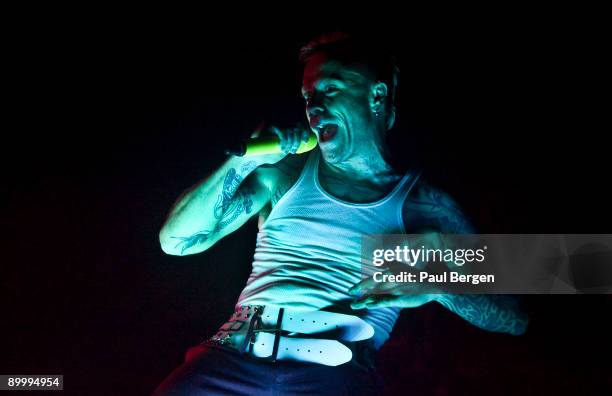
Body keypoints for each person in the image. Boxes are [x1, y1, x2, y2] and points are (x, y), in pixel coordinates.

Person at [153, 32, 528, 395]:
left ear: (376, 95)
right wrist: (250, 160)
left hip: (333, 378)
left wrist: (437, 285)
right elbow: (177, 241)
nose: (314, 107)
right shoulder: (286, 173)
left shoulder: (424, 206)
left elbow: (513, 317)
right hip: (228, 361)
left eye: (330, 89)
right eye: (308, 95)